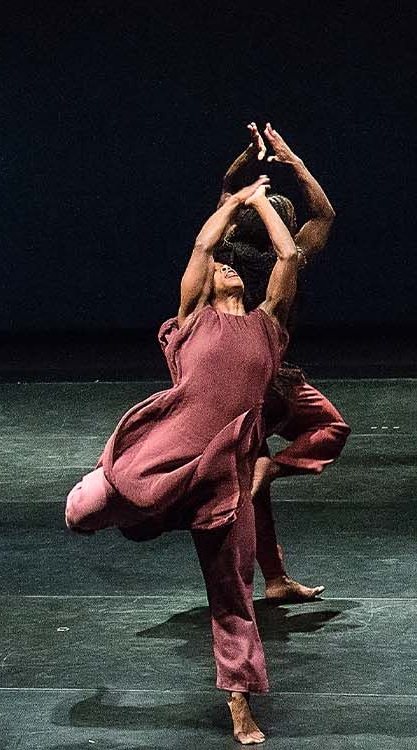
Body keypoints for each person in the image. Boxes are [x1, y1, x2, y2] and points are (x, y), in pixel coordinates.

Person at [65, 175, 299, 744]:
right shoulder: (190, 318)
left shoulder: (269, 325)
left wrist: (262, 204)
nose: (224, 266)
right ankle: (127, 501)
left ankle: (240, 705)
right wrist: (233, 202)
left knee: (233, 595)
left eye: (231, 264)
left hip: (223, 478)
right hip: (163, 458)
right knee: (78, 513)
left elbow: (289, 252)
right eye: (219, 266)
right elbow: (201, 247)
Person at [218, 123, 346, 602]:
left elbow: (226, 195)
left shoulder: (224, 258)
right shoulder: (285, 262)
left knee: (253, 482)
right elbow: (325, 215)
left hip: (234, 387)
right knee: (330, 429)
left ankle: (272, 579)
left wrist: (242, 166)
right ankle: (275, 468)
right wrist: (293, 163)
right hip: (273, 383)